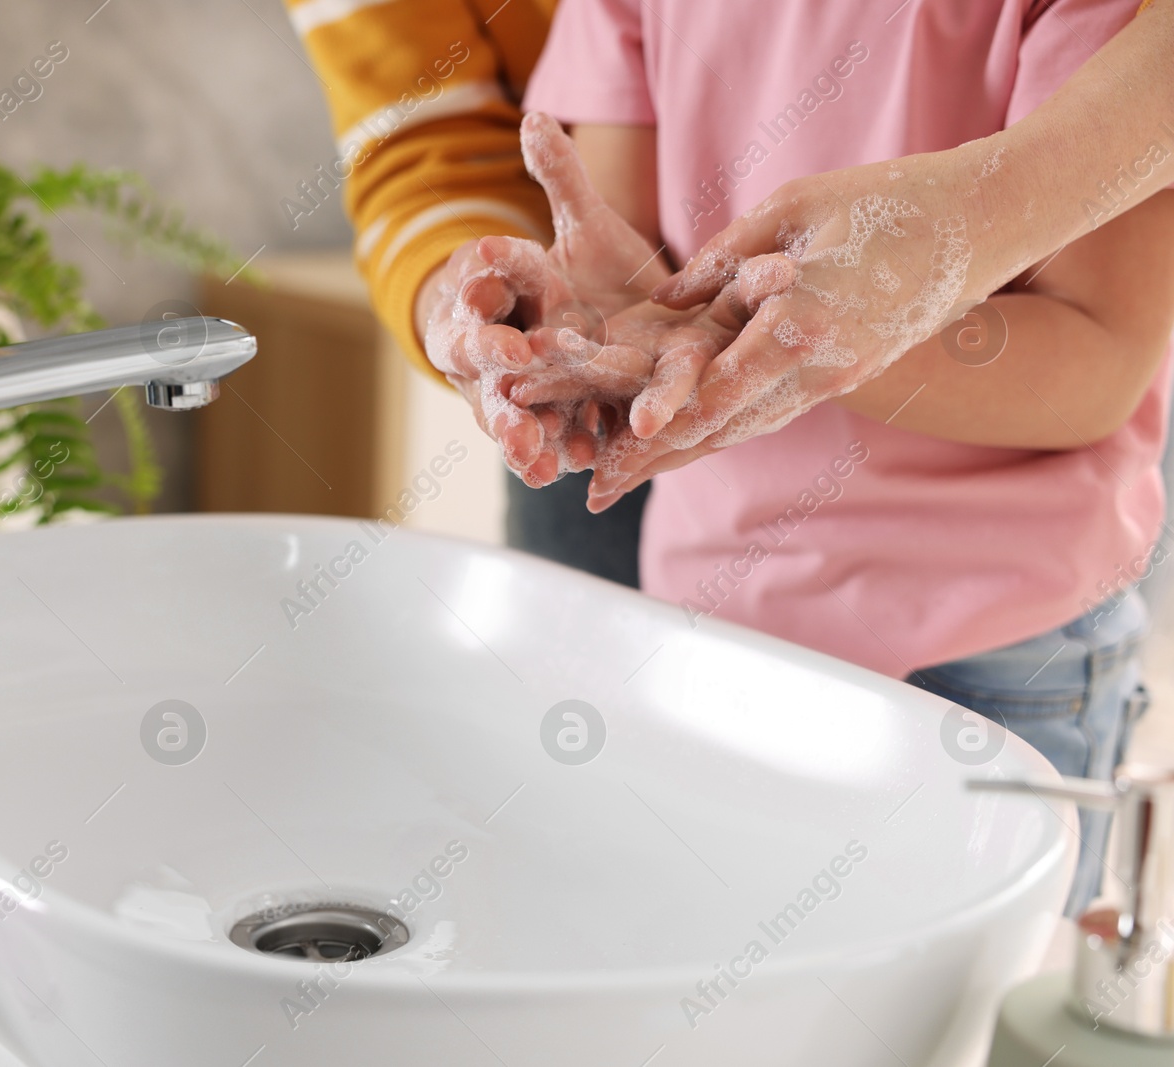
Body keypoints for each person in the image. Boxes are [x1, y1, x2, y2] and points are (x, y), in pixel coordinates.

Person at [452, 0, 1174, 916]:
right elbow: (636, 276)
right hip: (710, 625)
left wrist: (806, 336)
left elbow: (1097, 360)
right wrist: (596, 333)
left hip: (993, 650)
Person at [285, 0, 657, 586]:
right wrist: (475, 304)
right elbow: (426, 139)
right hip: (595, 374)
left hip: (646, 364)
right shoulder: (610, 19)